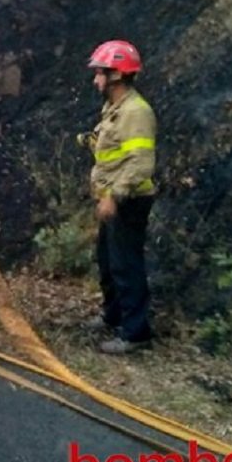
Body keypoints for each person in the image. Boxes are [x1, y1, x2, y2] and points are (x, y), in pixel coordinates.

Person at [83, 39, 157, 355]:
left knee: (126, 265)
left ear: (116, 75)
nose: (95, 80)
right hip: (114, 197)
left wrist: (113, 197)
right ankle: (113, 316)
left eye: (100, 73)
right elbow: (117, 150)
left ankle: (135, 332)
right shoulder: (116, 109)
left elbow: (141, 163)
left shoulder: (136, 112)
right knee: (108, 261)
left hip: (129, 200)